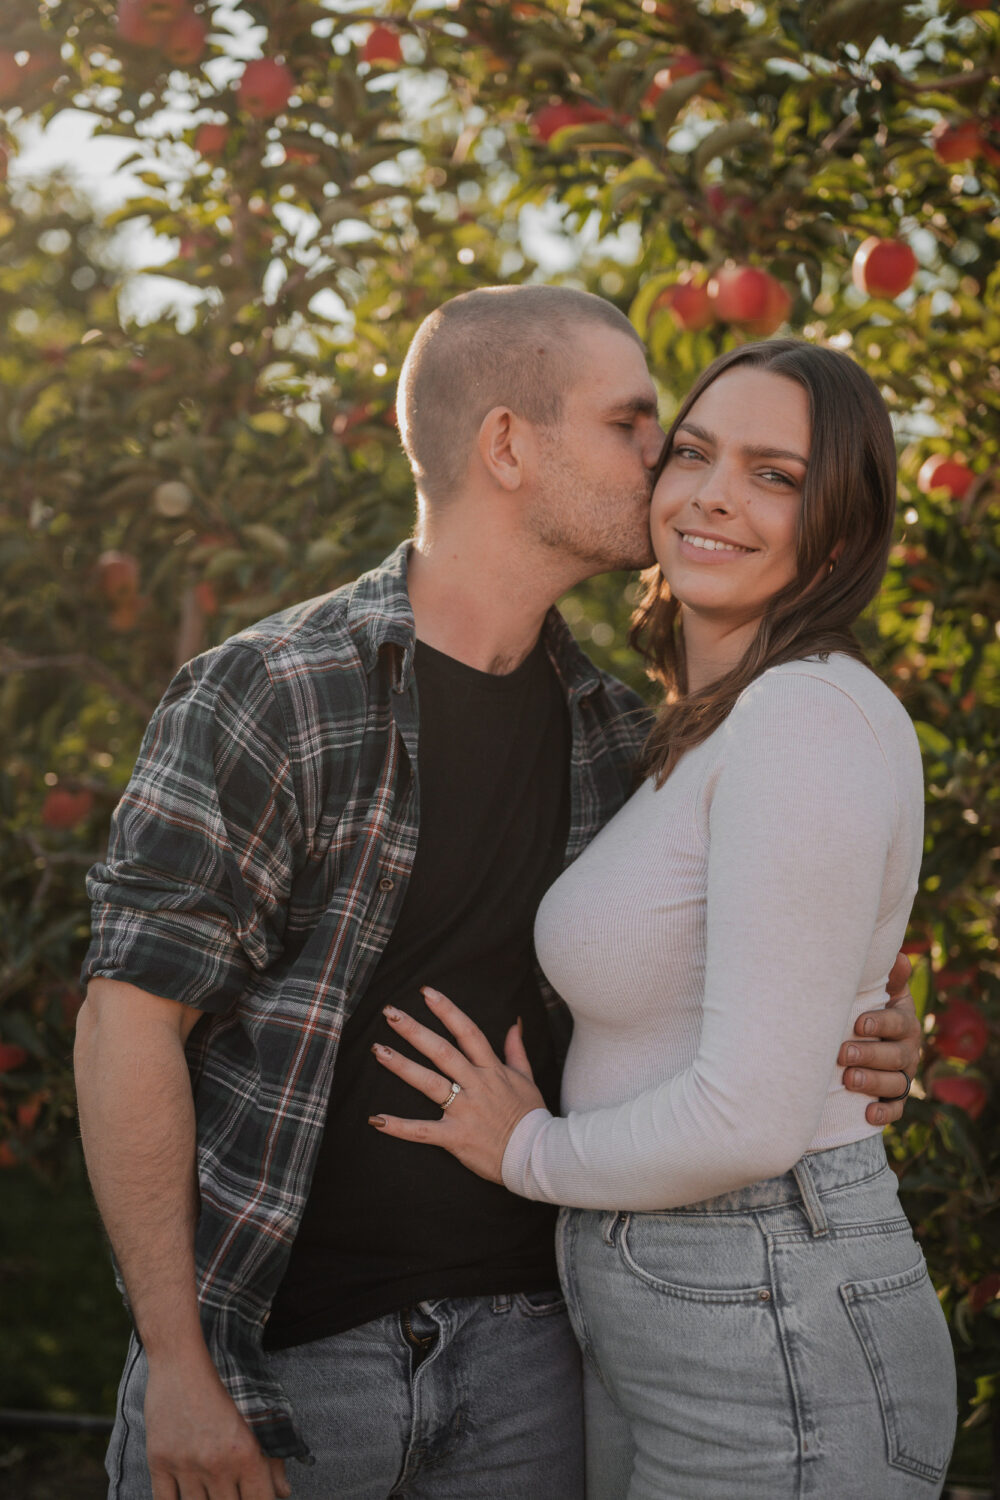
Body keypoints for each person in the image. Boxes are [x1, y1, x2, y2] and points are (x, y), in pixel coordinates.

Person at [74, 291, 921, 1500]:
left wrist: (868, 1029)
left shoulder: (627, 737)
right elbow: (126, 1025)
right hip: (292, 1368)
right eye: (641, 426)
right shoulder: (274, 692)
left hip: (542, 1358)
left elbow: (739, 968)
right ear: (509, 447)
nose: (666, 464)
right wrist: (179, 1362)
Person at [367, 337, 958, 1499]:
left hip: (768, 1315)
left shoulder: (805, 716)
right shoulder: (686, 728)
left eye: (775, 476)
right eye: (692, 453)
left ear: (838, 529)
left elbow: (747, 1118)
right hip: (686, 1309)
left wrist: (525, 1150)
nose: (714, 494)